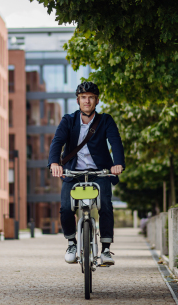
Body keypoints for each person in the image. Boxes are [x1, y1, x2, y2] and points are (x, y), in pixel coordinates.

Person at [48, 82, 125, 266]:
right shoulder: (68, 120)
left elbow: (115, 142)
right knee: (66, 207)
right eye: (83, 97)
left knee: (106, 204)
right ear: (78, 100)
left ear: (97, 100)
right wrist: (54, 163)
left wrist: (118, 164)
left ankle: (106, 249)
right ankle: (72, 243)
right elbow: (57, 142)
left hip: (100, 172)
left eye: (91, 97)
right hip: (73, 172)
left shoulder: (106, 120)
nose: (87, 101)